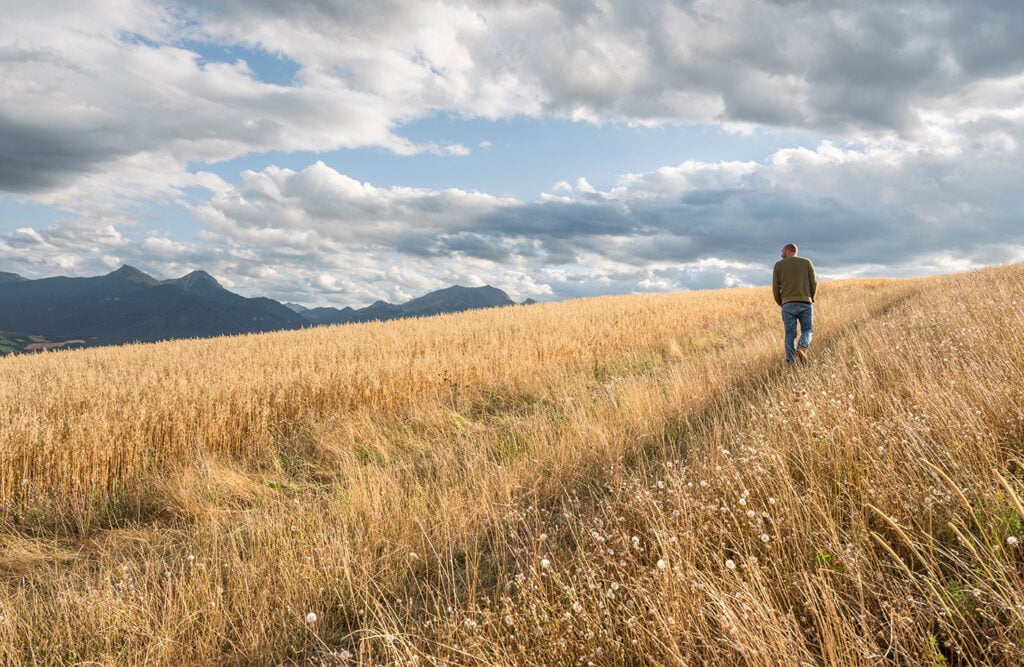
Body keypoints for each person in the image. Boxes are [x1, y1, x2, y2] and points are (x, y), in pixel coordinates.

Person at [773, 243, 816, 365]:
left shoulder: (778, 266)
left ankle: (791, 362)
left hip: (787, 304)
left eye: (782, 251)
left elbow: (776, 287)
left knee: (790, 334)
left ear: (788, 251)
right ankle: (802, 347)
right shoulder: (807, 262)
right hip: (805, 302)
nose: (781, 254)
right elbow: (814, 283)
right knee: (807, 330)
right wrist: (810, 298)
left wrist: (780, 302)